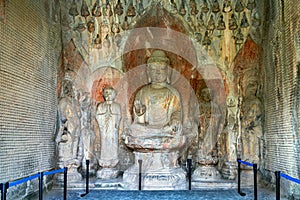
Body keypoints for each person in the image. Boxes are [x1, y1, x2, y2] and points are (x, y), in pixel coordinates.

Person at [56, 80, 82, 182]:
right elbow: (61, 117)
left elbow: (79, 114)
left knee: (75, 145)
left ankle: (73, 162)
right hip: (69, 126)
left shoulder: (75, 102)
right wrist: (65, 128)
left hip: (76, 125)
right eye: (68, 88)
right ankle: (67, 164)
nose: (71, 90)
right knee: (68, 146)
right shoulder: (63, 101)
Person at [96, 86, 121, 179]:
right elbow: (98, 116)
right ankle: (104, 161)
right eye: (106, 93)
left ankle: (113, 160)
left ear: (114, 95)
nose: (108, 95)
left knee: (112, 143)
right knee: (104, 143)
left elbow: (118, 117)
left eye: (110, 93)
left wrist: (114, 122)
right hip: (104, 130)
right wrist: (104, 118)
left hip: (112, 129)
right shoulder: (101, 106)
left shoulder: (116, 106)